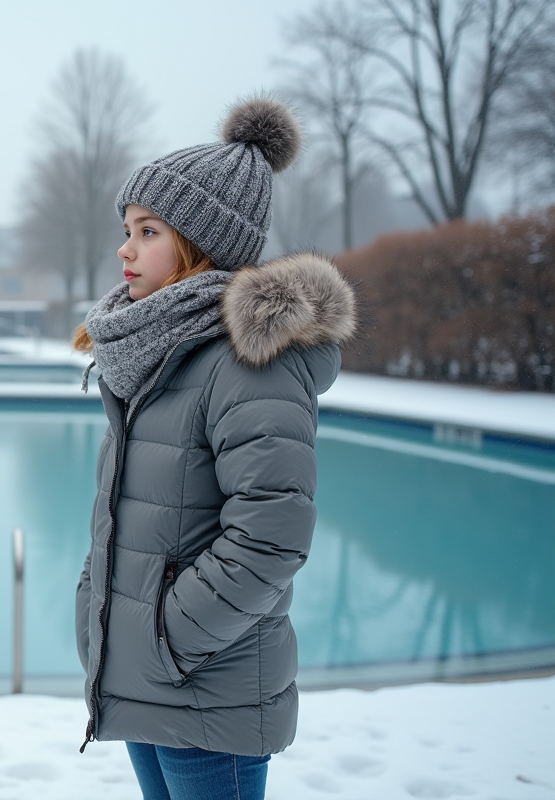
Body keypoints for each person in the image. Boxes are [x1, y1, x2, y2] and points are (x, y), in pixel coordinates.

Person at [72, 97, 356, 800]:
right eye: (127, 229)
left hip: (205, 688)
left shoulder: (247, 361)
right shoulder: (155, 350)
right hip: (145, 672)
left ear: (200, 244)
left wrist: (171, 636)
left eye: (147, 231)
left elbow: (273, 532)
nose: (125, 249)